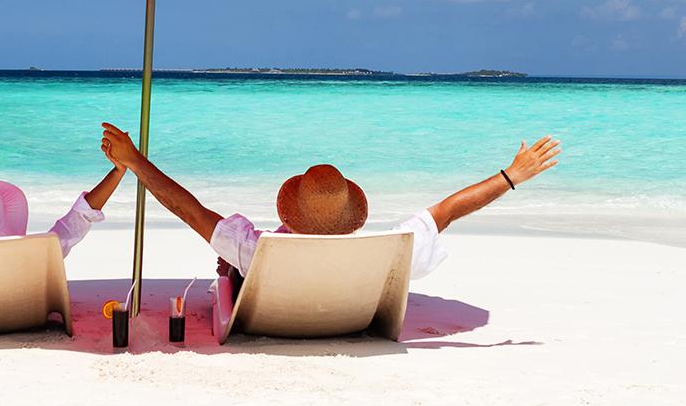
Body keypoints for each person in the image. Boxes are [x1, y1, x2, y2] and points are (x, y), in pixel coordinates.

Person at [99, 124, 561, 286]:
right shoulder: (387, 250)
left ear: (291, 207)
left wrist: (135, 161)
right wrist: (511, 176)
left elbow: (188, 209)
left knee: (229, 268)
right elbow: (447, 210)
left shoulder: (257, 251)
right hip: (350, 312)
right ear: (347, 210)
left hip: (274, 308)